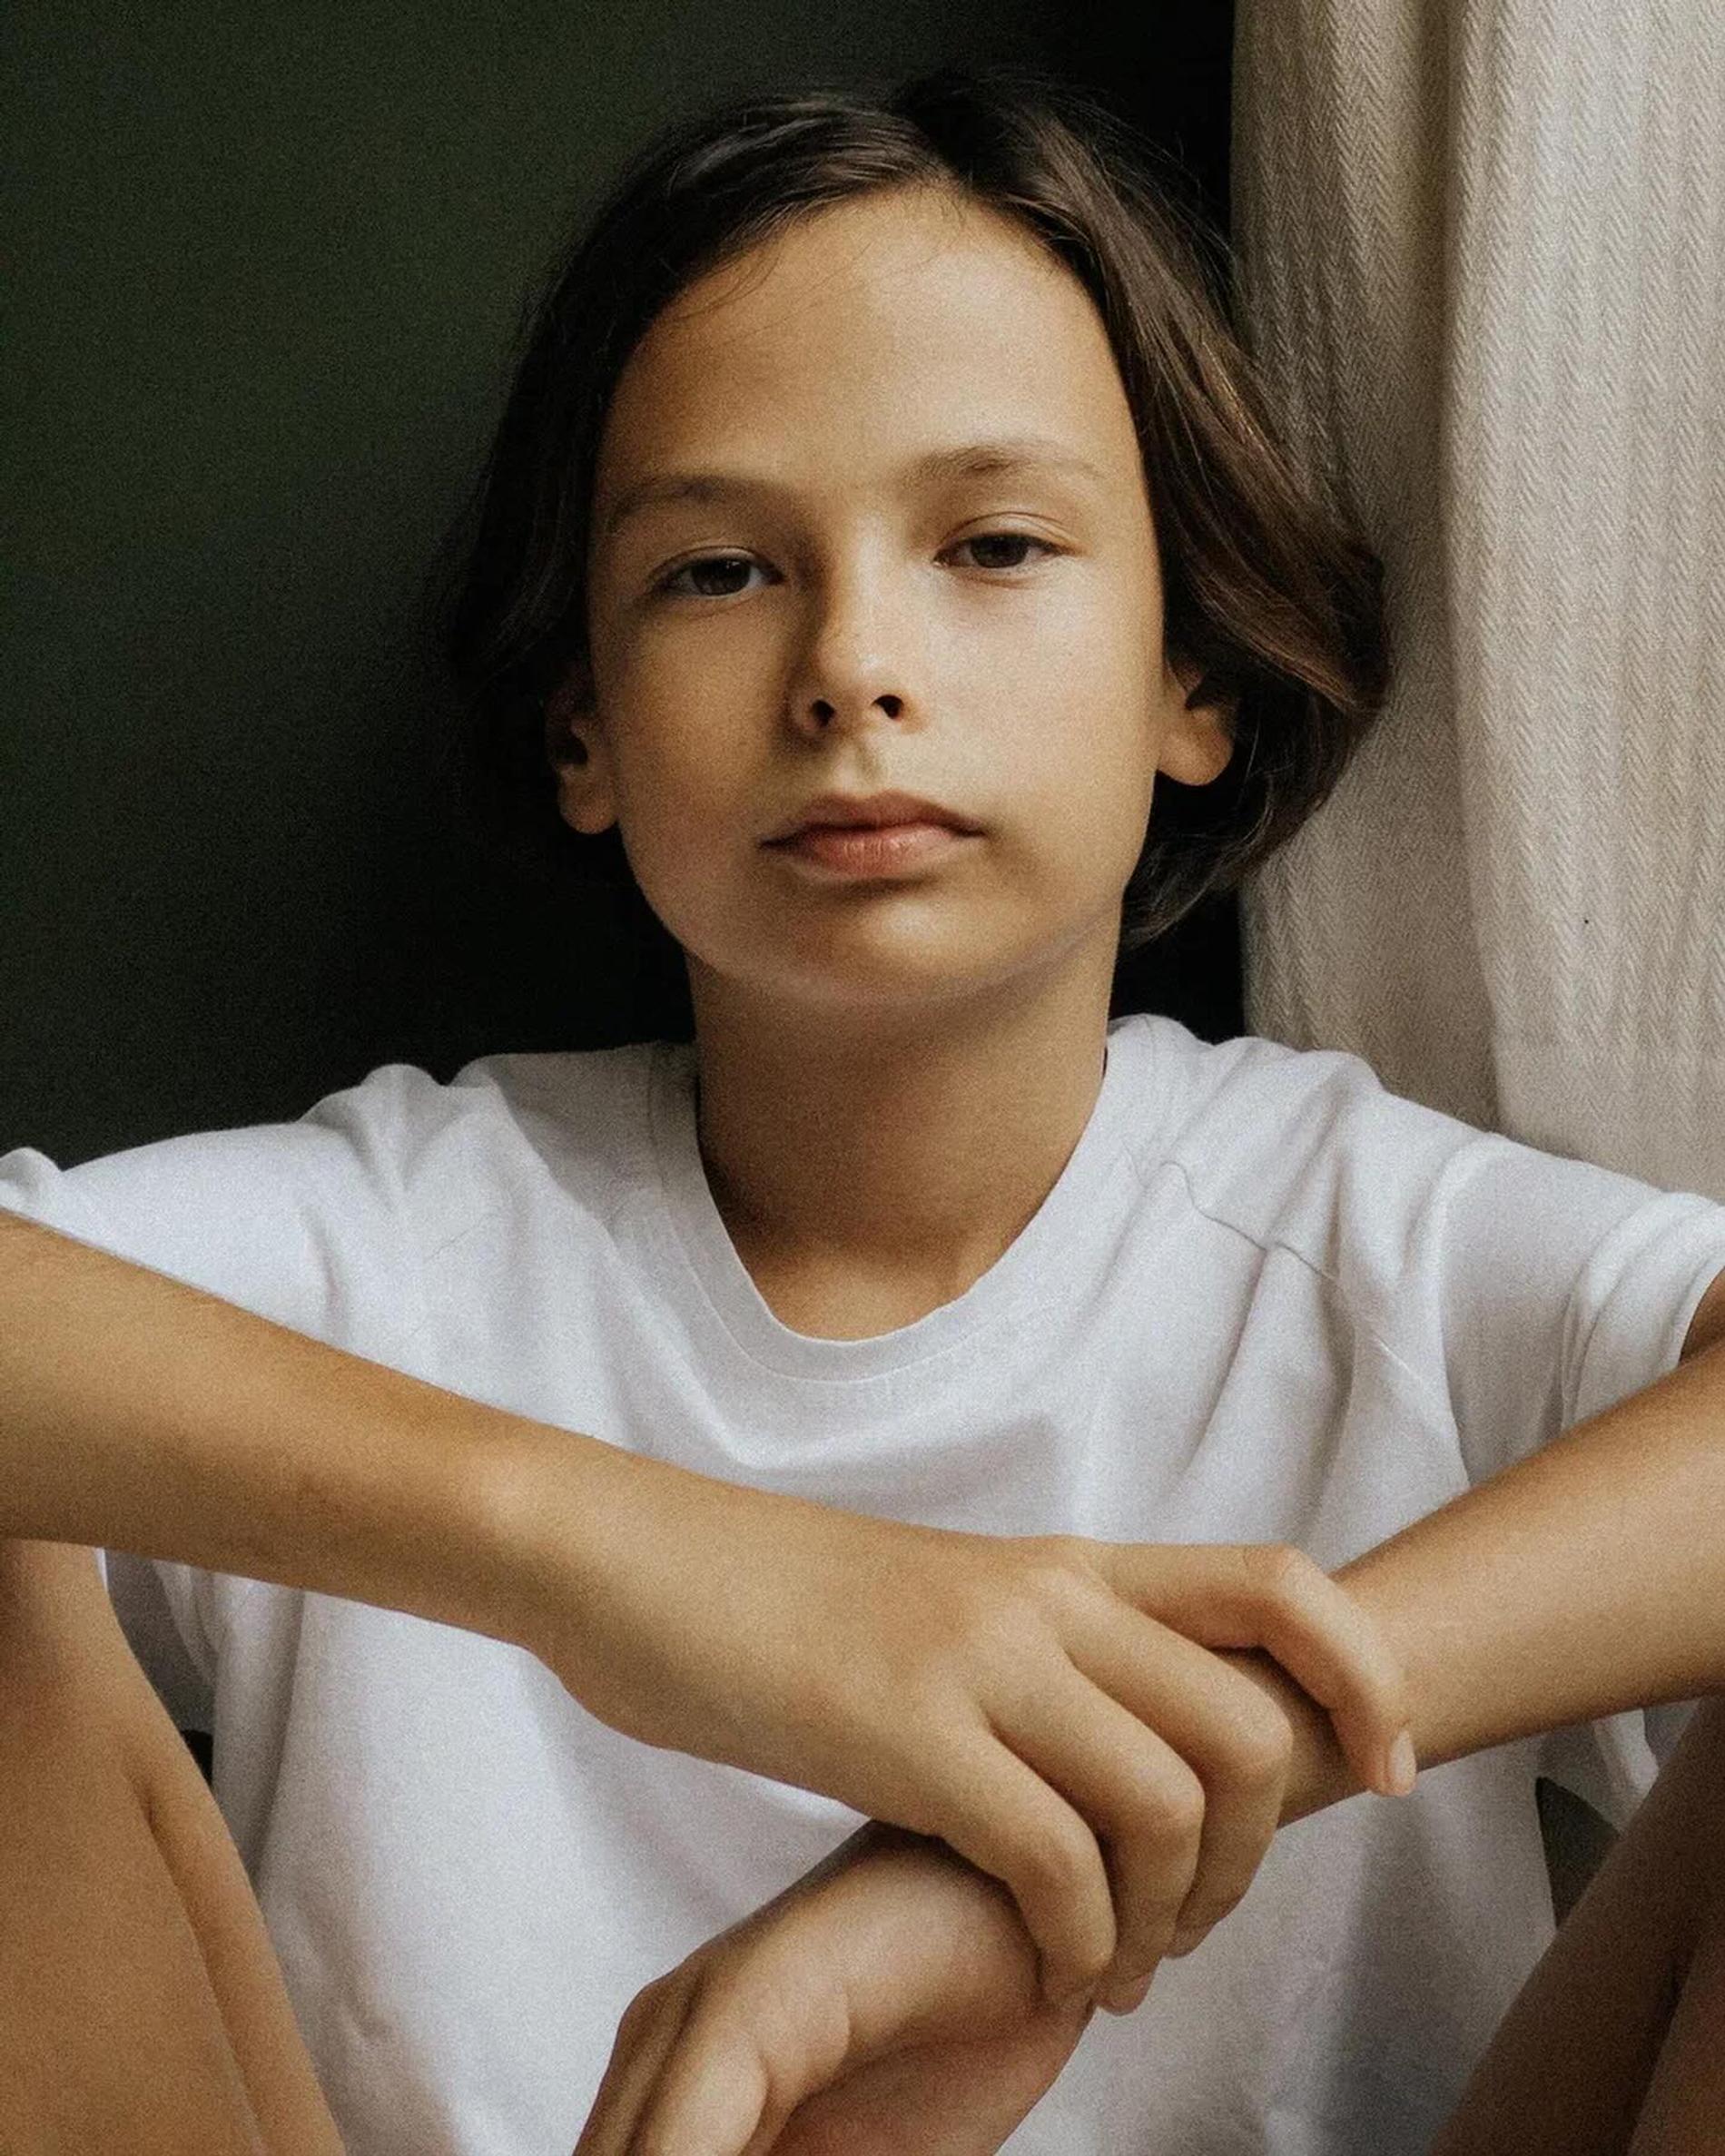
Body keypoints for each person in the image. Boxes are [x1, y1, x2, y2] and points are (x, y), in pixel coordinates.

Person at [4, 58, 1725, 2155]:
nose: (850, 667)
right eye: (717, 572)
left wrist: (1109, 1810)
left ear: (1190, 676)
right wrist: (642, 1573)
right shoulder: (402, 1246)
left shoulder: (1366, 1252)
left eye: (990, 543)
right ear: (583, 728)